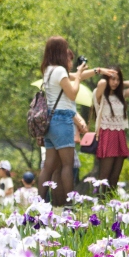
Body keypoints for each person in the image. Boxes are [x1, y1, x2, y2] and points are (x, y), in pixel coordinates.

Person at [38, 37, 96, 207]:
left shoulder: (48, 70)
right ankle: (69, 205)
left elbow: (76, 76)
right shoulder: (60, 71)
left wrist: (95, 71)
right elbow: (72, 94)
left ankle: (39, 204)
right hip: (62, 120)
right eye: (65, 49)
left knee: (48, 167)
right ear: (59, 51)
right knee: (67, 165)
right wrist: (77, 79)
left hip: (49, 121)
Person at [93, 67, 129, 189]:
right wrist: (106, 74)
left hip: (119, 135)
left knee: (115, 176)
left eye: (117, 80)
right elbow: (102, 83)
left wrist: (120, 82)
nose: (115, 82)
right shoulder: (100, 95)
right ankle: (101, 203)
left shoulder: (121, 95)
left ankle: (111, 203)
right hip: (107, 134)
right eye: (113, 79)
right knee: (104, 176)